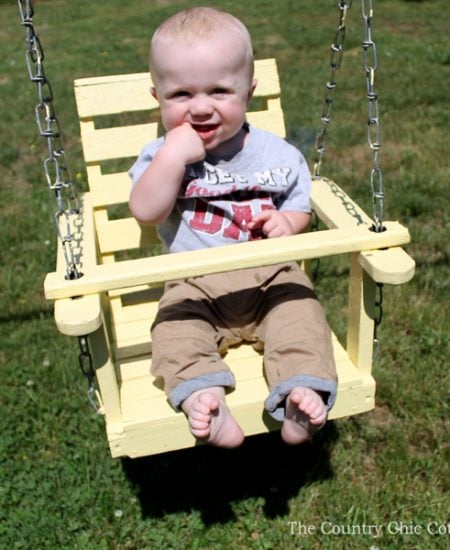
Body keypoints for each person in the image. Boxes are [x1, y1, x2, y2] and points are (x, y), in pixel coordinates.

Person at [129, 7, 337, 448]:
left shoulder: (276, 154)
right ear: (158, 97)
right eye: (180, 94)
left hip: (270, 277)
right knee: (173, 333)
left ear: (248, 92)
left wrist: (287, 222)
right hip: (194, 282)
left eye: (220, 91)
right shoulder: (159, 156)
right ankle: (204, 398)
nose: (200, 107)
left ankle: (300, 393)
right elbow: (146, 212)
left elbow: (299, 206)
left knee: (302, 318)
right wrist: (171, 157)